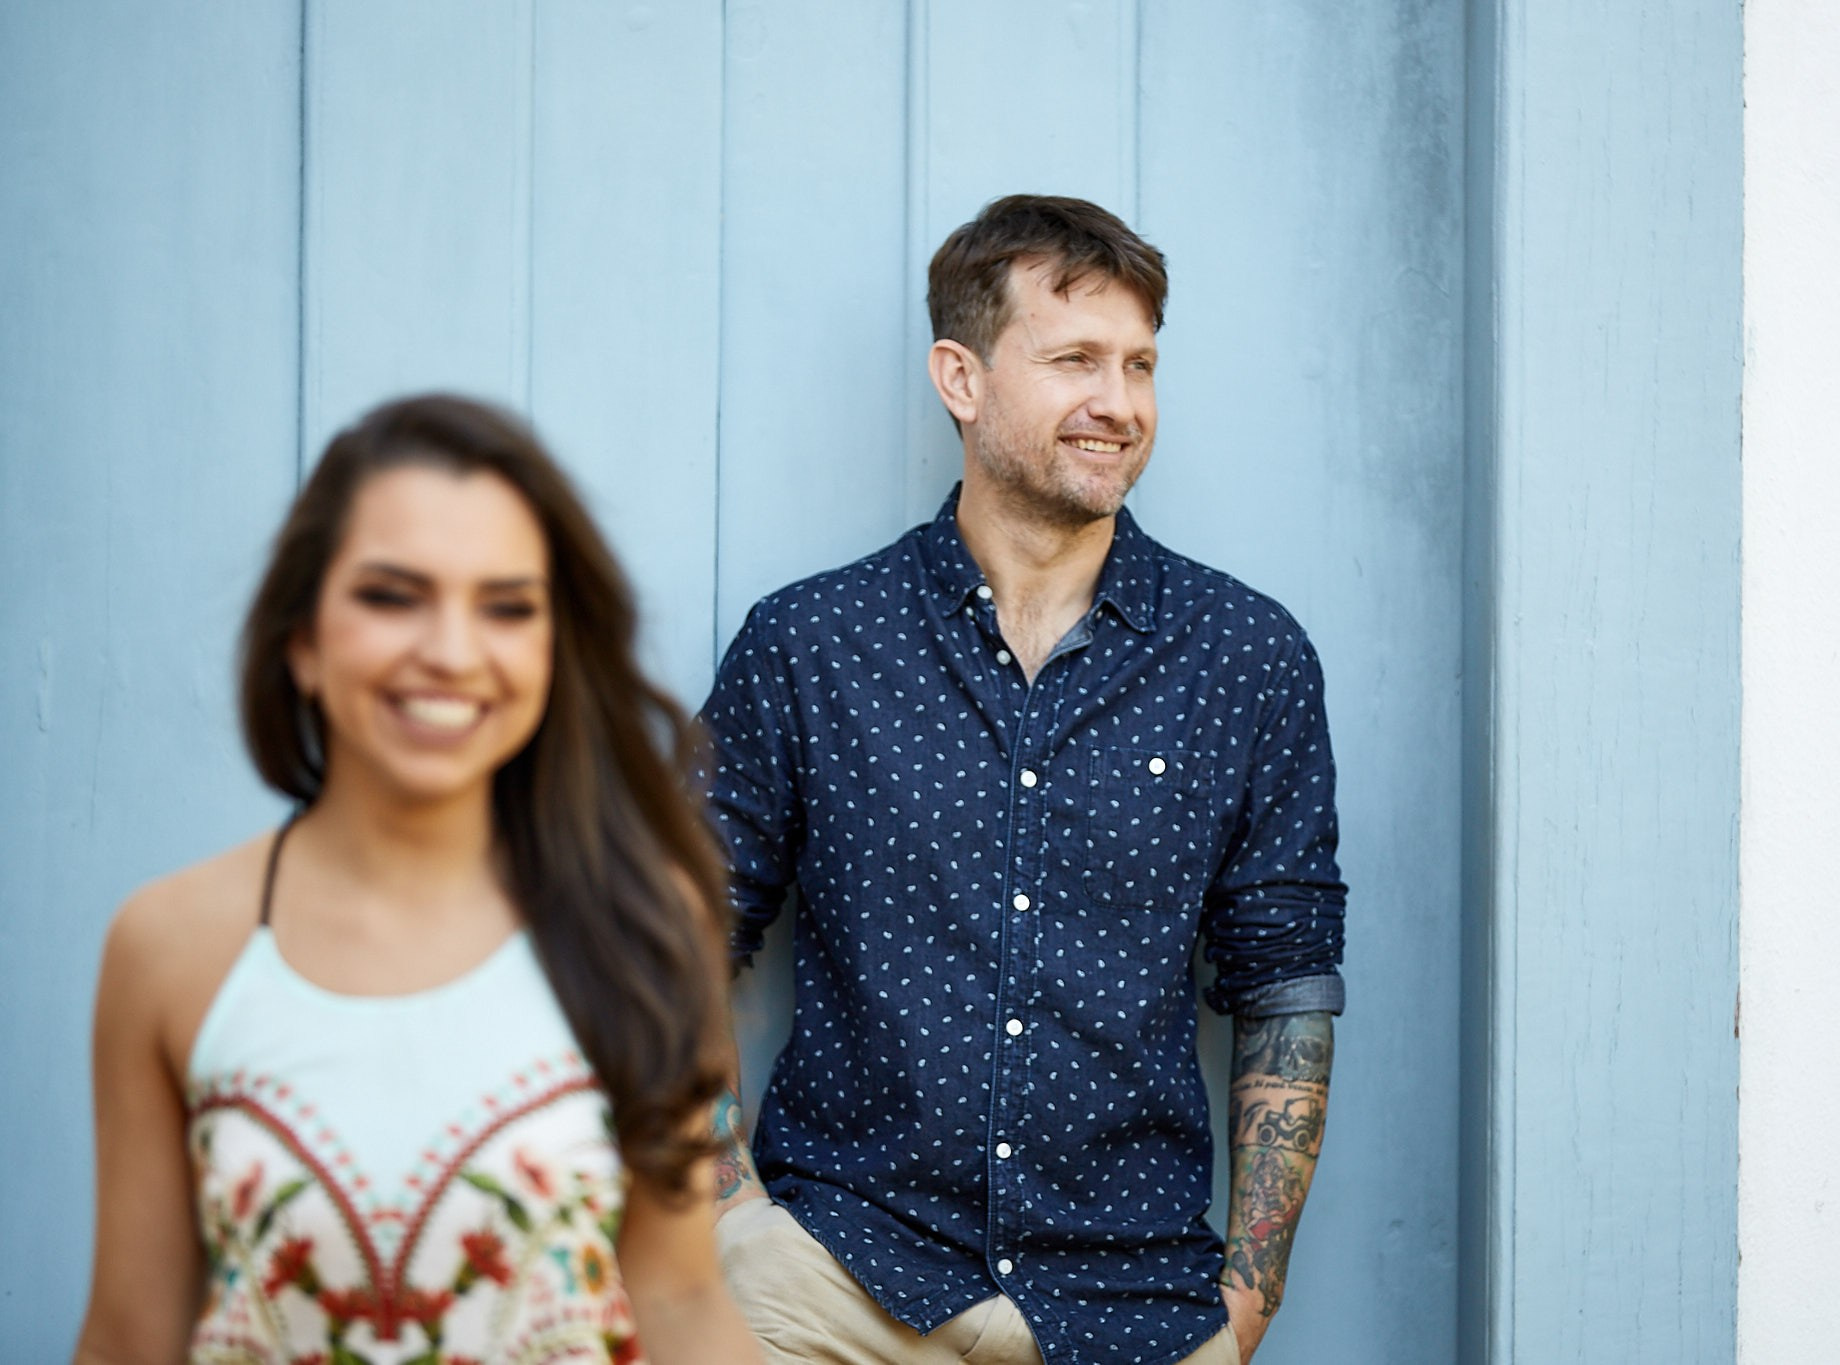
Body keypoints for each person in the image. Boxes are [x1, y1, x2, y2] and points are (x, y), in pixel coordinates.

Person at [704, 195, 1346, 1365]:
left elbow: (1285, 981)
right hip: (833, 1288)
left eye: (1139, 365)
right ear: (961, 377)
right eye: (1073, 360)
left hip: (1136, 1313)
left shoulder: (1244, 658)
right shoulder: (811, 644)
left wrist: (1246, 1302)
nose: (1119, 403)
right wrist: (731, 1221)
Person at [73, 395, 763, 1364]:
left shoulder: (641, 922)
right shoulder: (170, 945)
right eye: (392, 596)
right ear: (302, 638)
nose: (449, 652)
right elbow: (129, 1335)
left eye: (507, 607)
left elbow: (680, 1300)